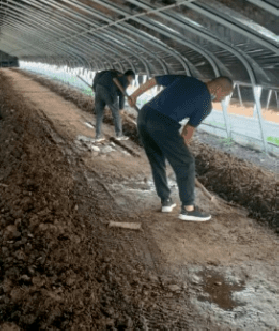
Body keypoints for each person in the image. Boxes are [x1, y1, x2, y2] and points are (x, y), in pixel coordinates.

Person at [128, 75, 233, 222]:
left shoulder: (185, 79)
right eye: (225, 95)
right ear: (219, 89)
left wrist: (134, 95)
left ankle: (166, 201)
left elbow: (153, 80)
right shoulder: (205, 104)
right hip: (163, 124)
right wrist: (183, 147)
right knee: (186, 162)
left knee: (156, 160)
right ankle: (188, 208)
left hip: (145, 115)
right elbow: (188, 130)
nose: (222, 99)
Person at [92, 69, 135, 142]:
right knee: (116, 114)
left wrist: (94, 87)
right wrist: (121, 108)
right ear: (130, 77)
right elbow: (122, 94)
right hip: (109, 91)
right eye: (131, 80)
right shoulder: (124, 79)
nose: (130, 82)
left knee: (99, 114)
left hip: (99, 89)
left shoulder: (113, 73)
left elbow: (98, 75)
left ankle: (98, 136)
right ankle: (119, 135)